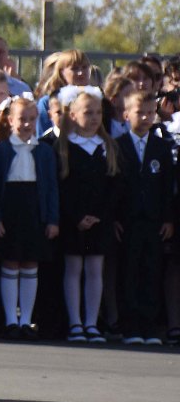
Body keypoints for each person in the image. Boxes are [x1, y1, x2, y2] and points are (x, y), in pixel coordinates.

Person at [114, 90, 174, 345]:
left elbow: (167, 186)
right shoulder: (117, 145)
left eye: (151, 112)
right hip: (128, 220)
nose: (146, 117)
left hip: (153, 220)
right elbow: (113, 185)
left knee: (151, 271)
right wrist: (114, 218)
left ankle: (149, 327)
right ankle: (131, 327)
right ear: (127, 114)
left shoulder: (161, 146)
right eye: (140, 112)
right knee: (129, 272)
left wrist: (168, 219)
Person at [57, 86, 114, 342]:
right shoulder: (65, 147)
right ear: (73, 115)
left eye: (98, 113)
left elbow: (114, 186)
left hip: (99, 220)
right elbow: (63, 188)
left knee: (94, 269)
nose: (94, 118)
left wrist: (99, 215)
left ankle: (91, 322)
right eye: (88, 112)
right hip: (74, 221)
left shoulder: (107, 146)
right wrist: (77, 217)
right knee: (73, 268)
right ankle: (75, 322)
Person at [0, 98, 48, 339]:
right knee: (10, 262)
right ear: (10, 120)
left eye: (31, 119)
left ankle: (26, 320)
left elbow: (51, 188)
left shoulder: (44, 151)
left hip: (33, 211)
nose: (27, 124)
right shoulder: (2, 150)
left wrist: (51, 219)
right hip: (10, 211)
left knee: (30, 263)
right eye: (21, 119)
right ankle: (10, 320)